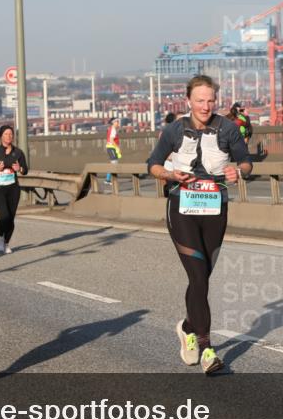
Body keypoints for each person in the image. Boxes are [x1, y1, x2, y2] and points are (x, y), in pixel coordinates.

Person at [146, 75, 253, 375]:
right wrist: (170, 176)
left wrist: (237, 171)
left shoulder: (228, 128)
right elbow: (153, 165)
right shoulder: (175, 130)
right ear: (189, 102)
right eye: (200, 100)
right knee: (197, 274)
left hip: (215, 208)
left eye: (210, 100)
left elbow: (246, 161)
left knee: (202, 277)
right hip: (182, 208)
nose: (205, 106)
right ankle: (207, 348)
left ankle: (187, 327)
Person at [0, 124, 29, 254]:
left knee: (11, 218)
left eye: (11, 134)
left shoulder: (18, 152)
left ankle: (6, 243)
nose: (9, 136)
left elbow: (25, 170)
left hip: (13, 189)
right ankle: (0, 237)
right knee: (4, 216)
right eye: (6, 134)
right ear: (1, 136)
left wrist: (19, 169)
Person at [105, 118, 121, 187]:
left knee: (113, 163)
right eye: (117, 122)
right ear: (113, 122)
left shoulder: (112, 129)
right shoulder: (113, 130)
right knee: (114, 163)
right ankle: (112, 180)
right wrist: (117, 147)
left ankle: (108, 179)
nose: (118, 123)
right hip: (111, 147)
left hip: (111, 147)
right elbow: (111, 140)